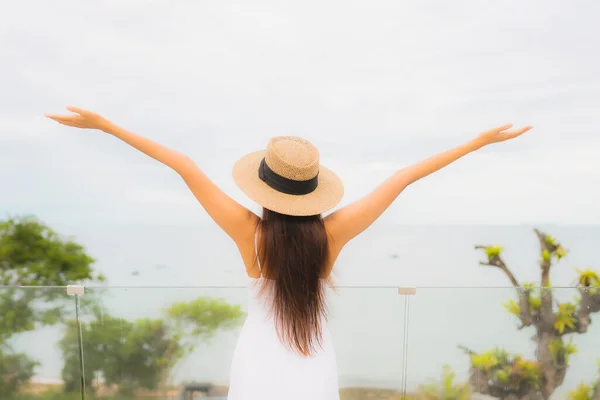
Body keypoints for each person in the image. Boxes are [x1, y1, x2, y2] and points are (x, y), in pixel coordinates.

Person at [45, 107, 532, 399]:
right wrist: (477, 142)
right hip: (312, 360)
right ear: (314, 191)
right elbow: (402, 177)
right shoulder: (332, 236)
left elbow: (185, 166)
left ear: (264, 187)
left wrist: (106, 125)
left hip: (256, 360)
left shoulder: (250, 234)